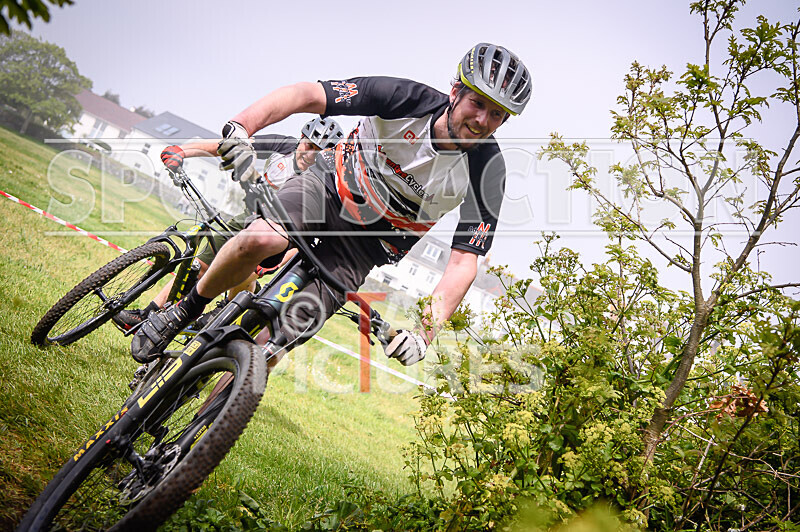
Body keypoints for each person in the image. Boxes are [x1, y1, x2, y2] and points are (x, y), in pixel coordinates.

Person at [131, 42, 532, 366]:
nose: (482, 120)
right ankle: (185, 309)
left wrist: (424, 334)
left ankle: (192, 447)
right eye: (476, 103)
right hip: (328, 186)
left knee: (273, 345)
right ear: (455, 92)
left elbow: (463, 262)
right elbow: (308, 94)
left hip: (367, 246)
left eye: (496, 114)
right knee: (261, 240)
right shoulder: (403, 98)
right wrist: (242, 127)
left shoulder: (488, 170)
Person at [112, 117, 344, 331]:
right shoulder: (284, 145)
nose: (310, 154)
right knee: (198, 266)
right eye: (308, 145)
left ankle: (220, 318)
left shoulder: (321, 183)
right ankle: (148, 315)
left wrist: (273, 266)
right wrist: (182, 151)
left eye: (319, 151)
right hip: (247, 218)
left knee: (245, 276)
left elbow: (303, 239)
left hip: (278, 240)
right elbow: (230, 146)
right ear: (301, 139)